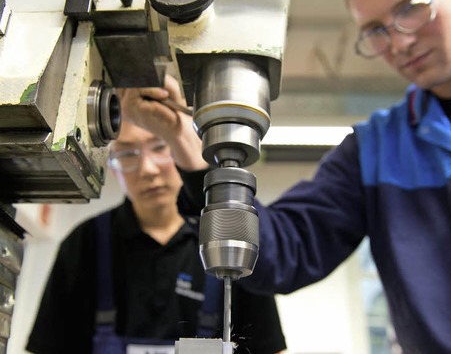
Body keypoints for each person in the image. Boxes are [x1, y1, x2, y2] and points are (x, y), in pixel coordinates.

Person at [118, 0, 451, 353]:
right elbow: (281, 251)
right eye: (375, 31)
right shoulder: (375, 149)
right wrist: (184, 144)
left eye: (411, 8)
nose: (399, 42)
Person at [26, 77, 287, 354]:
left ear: (181, 147)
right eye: (128, 153)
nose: (148, 168)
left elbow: (270, 348)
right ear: (111, 166)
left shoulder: (227, 242)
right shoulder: (83, 244)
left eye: (160, 146)